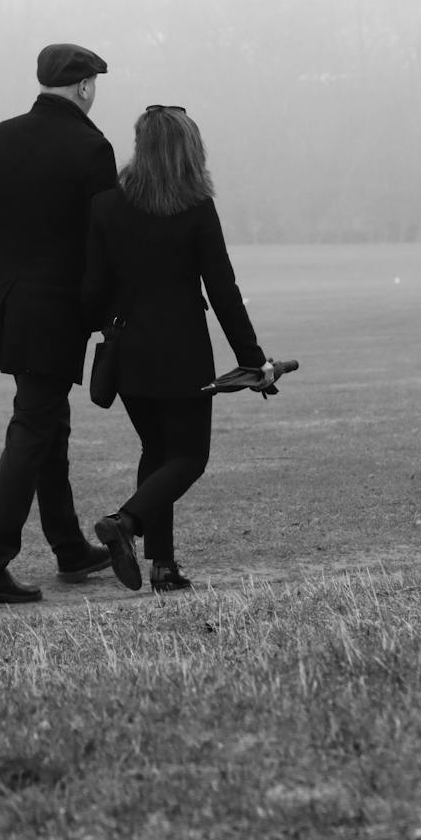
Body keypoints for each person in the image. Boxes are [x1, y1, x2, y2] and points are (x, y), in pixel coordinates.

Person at [0, 43, 119, 603]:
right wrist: (112, 313)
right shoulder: (92, 147)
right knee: (35, 425)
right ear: (84, 86)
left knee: (48, 423)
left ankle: (69, 548)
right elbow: (105, 242)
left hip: (11, 307)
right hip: (60, 312)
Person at [82, 104, 276, 592]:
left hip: (128, 353)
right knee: (189, 457)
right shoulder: (196, 208)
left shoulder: (105, 206)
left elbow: (93, 291)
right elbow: (223, 291)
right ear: (189, 151)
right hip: (183, 354)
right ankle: (124, 523)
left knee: (157, 451)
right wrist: (253, 361)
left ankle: (163, 567)